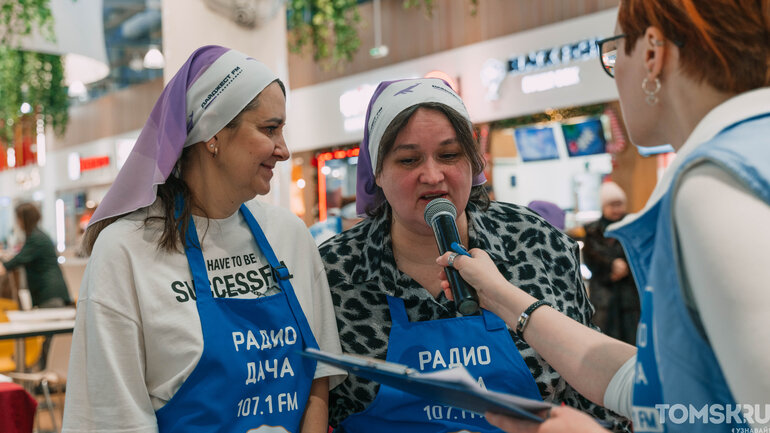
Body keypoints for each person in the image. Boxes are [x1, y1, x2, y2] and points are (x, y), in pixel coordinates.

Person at [437, 1, 770, 431]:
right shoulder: (743, 159)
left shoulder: (716, 186)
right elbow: (672, 387)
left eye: (615, 53)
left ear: (652, 52)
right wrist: (500, 295)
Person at [319, 78, 629, 432]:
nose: (433, 175)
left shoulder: (535, 242)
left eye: (450, 155)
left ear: (473, 161)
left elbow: (592, 396)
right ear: (378, 171)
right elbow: (316, 405)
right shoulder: (335, 271)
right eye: (408, 160)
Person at [62, 45, 345, 433]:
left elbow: (318, 374)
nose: (284, 149)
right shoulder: (125, 252)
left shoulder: (289, 234)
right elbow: (113, 417)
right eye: (269, 129)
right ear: (213, 134)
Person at [581, 182, 639, 345]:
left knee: (632, 343)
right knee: (607, 343)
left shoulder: (633, 226)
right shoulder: (592, 230)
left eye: (619, 204)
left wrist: (626, 266)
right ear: (603, 206)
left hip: (630, 297)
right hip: (603, 297)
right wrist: (611, 266)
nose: (616, 209)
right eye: (611, 205)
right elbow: (590, 258)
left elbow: (641, 253)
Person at [0, 202, 70, 308]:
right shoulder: (38, 235)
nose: (17, 223)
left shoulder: (36, 239)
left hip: (50, 294)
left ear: (24, 219)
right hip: (49, 293)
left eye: (18, 219)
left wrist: (5, 264)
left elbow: (15, 262)